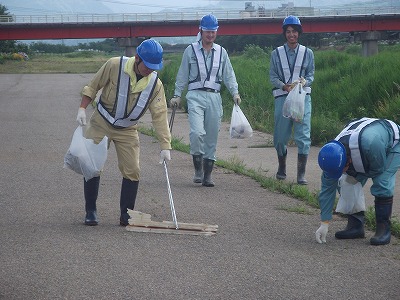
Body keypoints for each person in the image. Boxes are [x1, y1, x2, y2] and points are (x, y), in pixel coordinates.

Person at [76, 39, 172, 226]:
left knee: (133, 170)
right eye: (147, 65)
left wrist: (165, 145)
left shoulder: (155, 85)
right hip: (101, 122)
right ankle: (91, 210)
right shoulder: (114, 65)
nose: (150, 70)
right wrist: (82, 108)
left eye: (154, 67)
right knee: (93, 165)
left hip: (128, 129)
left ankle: (126, 214)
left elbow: (159, 115)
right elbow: (93, 86)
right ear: (137, 58)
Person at [170, 13, 241, 187]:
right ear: (201, 31)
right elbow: (182, 74)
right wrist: (177, 94)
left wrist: (235, 93)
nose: (210, 35)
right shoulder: (190, 50)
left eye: (213, 32)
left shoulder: (221, 52)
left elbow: (229, 75)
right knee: (197, 133)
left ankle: (208, 175)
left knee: (211, 137)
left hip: (214, 97)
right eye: (207, 31)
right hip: (195, 96)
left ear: (216, 32)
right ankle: (197, 170)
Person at [316, 117, 400, 245]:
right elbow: (327, 190)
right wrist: (324, 222)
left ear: (348, 160)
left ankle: (383, 229)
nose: (341, 172)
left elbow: (377, 169)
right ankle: (356, 226)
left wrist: (356, 176)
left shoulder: (370, 144)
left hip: (392, 143)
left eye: (342, 169)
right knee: (346, 181)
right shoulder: (331, 155)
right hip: (366, 140)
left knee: (382, 181)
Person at [269, 15, 315, 185]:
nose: (291, 35)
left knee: (303, 135)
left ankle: (301, 174)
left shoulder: (307, 53)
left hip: (303, 98)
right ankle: (282, 166)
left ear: (299, 33)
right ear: (284, 34)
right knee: (280, 136)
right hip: (282, 98)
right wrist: (283, 86)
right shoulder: (276, 53)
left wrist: (305, 82)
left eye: (294, 31)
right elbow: (272, 76)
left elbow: (311, 74)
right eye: (288, 32)